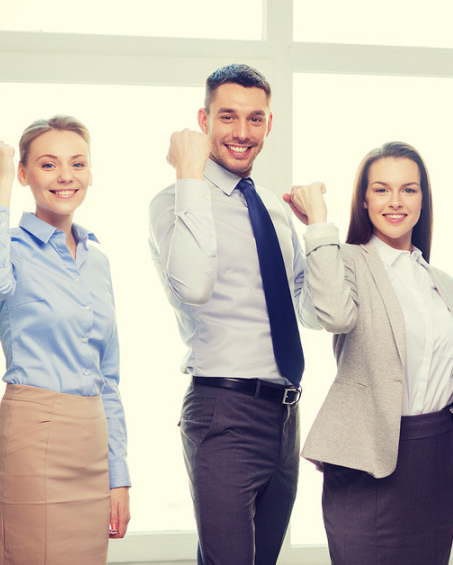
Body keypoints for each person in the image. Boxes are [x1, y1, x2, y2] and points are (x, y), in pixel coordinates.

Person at [148, 63, 319, 565]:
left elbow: (309, 310)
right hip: (224, 410)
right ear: (203, 121)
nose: (242, 133)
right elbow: (194, 284)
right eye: (227, 116)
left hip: (286, 414)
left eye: (255, 119)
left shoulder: (274, 207)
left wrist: (321, 232)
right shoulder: (173, 201)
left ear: (269, 125)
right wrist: (188, 174)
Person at [287, 142, 453, 565]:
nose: (396, 202)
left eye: (409, 190)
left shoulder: (445, 284)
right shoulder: (346, 261)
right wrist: (320, 224)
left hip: (435, 467)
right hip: (367, 467)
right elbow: (335, 316)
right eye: (381, 190)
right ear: (364, 199)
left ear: (423, 199)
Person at [0, 115, 131, 565]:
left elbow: (108, 376)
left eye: (77, 164)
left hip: (92, 442)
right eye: (48, 164)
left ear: (90, 173)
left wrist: (118, 475)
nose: (66, 176)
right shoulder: (9, 248)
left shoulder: (97, 261)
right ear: (25, 174)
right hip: (33, 439)